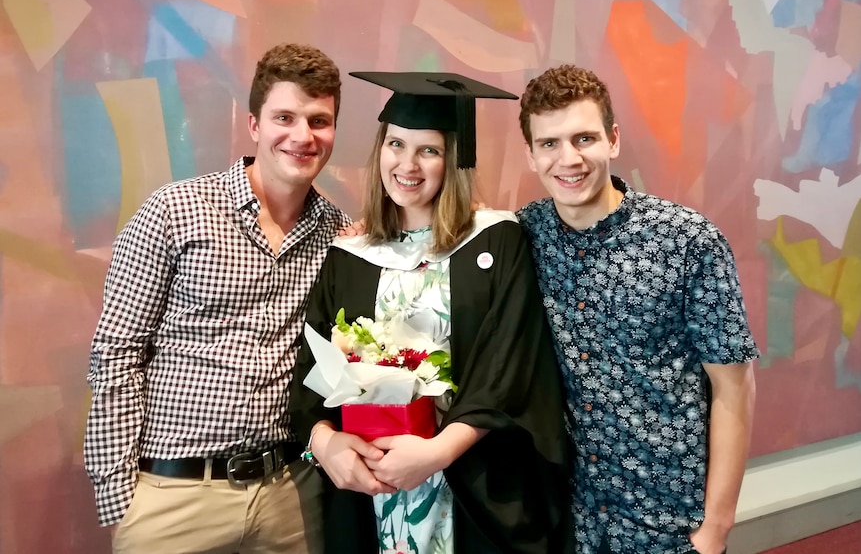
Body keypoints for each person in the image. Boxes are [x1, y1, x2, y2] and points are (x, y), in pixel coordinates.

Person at [84, 42, 351, 554]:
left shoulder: (338, 236)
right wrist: (121, 495)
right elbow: (117, 351)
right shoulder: (175, 210)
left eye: (319, 120)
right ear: (254, 125)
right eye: (285, 117)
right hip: (176, 493)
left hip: (290, 495)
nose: (303, 135)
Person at [289, 71, 571, 553]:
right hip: (369, 492)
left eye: (430, 150)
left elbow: (509, 368)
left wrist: (436, 453)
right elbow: (312, 370)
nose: (407, 164)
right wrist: (324, 443)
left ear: (454, 161)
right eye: (396, 144)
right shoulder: (350, 254)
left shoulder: (496, 240)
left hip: (469, 491)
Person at [516, 65, 759, 554]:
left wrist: (716, 527)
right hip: (572, 515)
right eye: (550, 144)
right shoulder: (524, 234)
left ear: (613, 140)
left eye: (584, 138)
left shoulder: (688, 242)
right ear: (531, 154)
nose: (569, 159)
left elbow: (734, 386)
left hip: (668, 520)